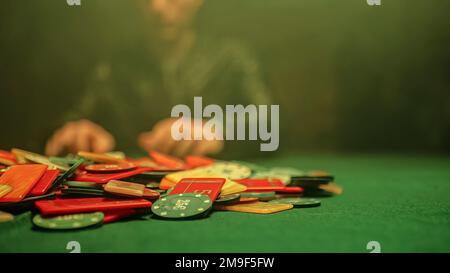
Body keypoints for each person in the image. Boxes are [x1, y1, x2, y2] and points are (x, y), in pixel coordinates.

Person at [45, 0, 271, 158]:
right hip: (133, 197)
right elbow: (69, 121)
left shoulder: (232, 57)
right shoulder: (115, 67)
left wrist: (217, 130)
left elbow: (271, 121)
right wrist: (75, 133)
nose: (157, 6)